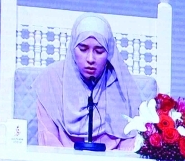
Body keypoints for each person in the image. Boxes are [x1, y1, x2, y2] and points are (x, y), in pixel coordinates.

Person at [34, 13, 140, 150]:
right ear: (73, 48)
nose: (90, 59)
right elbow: (48, 143)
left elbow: (130, 143)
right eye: (83, 49)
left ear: (109, 52)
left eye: (99, 51)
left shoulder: (121, 84)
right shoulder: (51, 80)